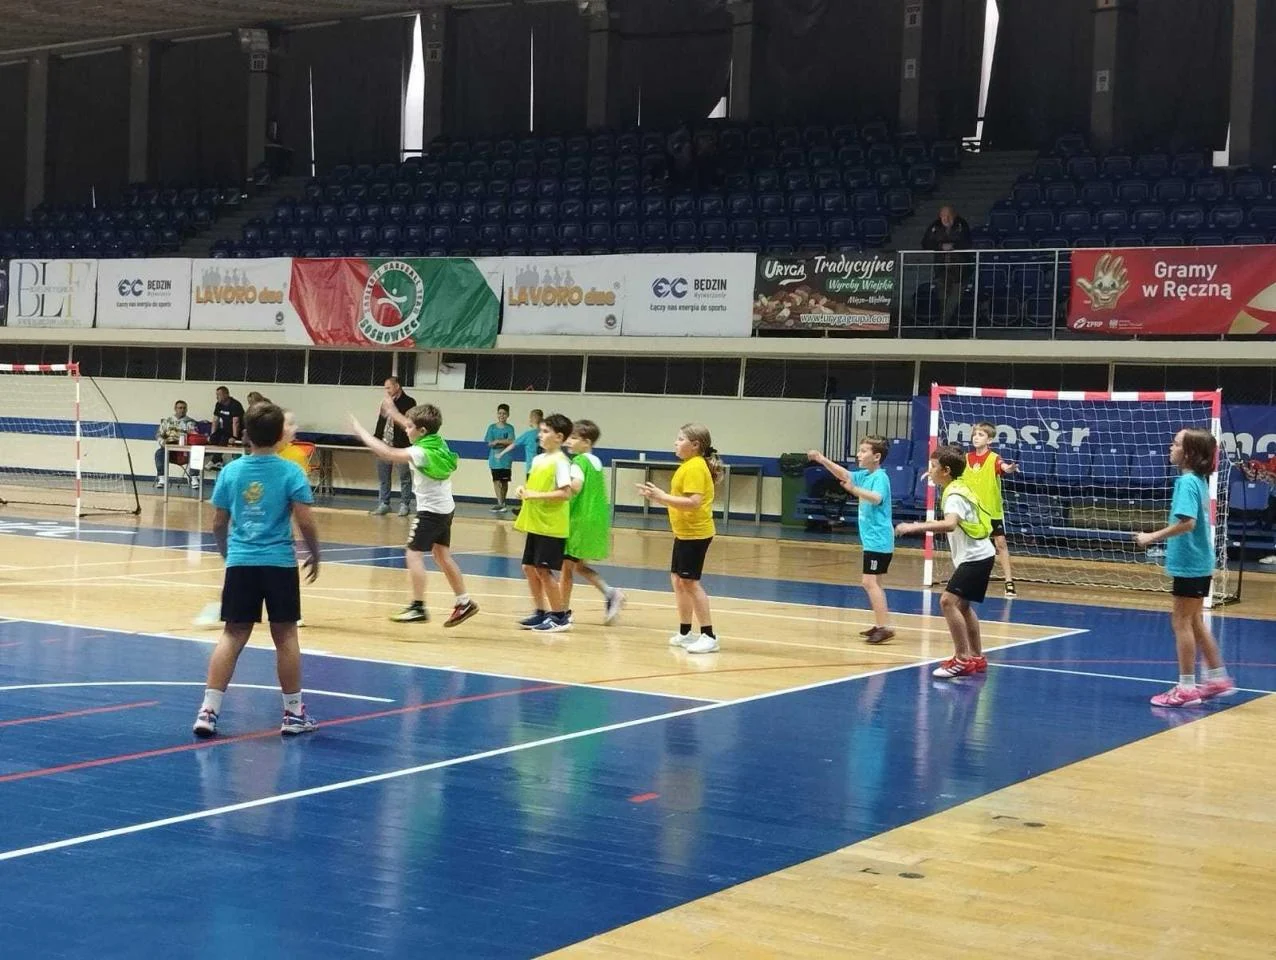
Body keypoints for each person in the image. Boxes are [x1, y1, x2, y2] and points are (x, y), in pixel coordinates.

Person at [192, 402, 321, 738]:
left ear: (245, 434)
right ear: (280, 436)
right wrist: (315, 552)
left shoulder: (231, 472)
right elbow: (305, 520)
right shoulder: (292, 472)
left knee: (232, 634)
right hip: (279, 564)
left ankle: (208, 711)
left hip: (241, 563)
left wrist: (228, 554)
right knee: (286, 636)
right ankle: (293, 714)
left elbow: (218, 523)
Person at [349, 404, 479, 628]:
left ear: (422, 431)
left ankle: (418, 606)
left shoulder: (420, 452)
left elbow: (388, 453)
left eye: (409, 427)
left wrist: (361, 432)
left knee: (413, 555)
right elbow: (414, 426)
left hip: (430, 512)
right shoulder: (437, 442)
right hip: (446, 508)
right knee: (442, 556)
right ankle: (464, 602)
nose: (406, 430)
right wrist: (394, 414)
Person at [1134, 429, 1233, 707]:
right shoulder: (1197, 480)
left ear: (1188, 453)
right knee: (1195, 621)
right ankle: (1217, 678)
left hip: (1190, 563)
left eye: (1176, 444)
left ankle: (1186, 688)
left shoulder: (1187, 482)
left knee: (1181, 622)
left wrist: (1151, 537)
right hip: (1198, 562)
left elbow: (1187, 523)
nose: (1171, 447)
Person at [895, 445, 995, 679]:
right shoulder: (958, 486)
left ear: (946, 470)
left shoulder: (954, 496)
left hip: (975, 558)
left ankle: (962, 659)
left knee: (947, 602)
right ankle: (976, 657)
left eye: (933, 466)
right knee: (963, 607)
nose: (929, 471)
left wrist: (915, 527)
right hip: (980, 555)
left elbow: (950, 524)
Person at [636, 423, 723, 655]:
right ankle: (686, 632)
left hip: (695, 533)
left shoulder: (695, 467)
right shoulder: (689, 465)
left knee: (690, 582)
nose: (675, 443)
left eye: (680, 439)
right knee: (678, 580)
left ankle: (709, 636)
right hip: (684, 532)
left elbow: (694, 502)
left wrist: (663, 496)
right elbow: (679, 500)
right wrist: (659, 497)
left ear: (695, 445)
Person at [808, 436, 895, 643]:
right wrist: (821, 459)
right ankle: (881, 624)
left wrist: (853, 490)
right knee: (875, 583)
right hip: (873, 540)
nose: (858, 454)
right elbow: (844, 474)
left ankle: (884, 627)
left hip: (878, 540)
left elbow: (877, 498)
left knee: (869, 582)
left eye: (864, 451)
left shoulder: (880, 477)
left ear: (876, 456)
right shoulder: (865, 475)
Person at [514, 413, 574, 633]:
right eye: (540, 431)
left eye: (545, 431)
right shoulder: (539, 460)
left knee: (544, 570)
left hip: (551, 525)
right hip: (536, 522)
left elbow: (565, 493)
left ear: (559, 437)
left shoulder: (561, 462)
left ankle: (559, 616)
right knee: (529, 567)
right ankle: (540, 611)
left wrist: (535, 495)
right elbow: (534, 487)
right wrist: (523, 490)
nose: (540, 435)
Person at [562, 419, 625, 625]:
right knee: (579, 566)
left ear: (587, 442)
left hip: (579, 519)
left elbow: (576, 486)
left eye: (573, 438)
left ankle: (562, 612)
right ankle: (610, 592)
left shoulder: (579, 462)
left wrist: (555, 490)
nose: (568, 441)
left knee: (566, 567)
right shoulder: (595, 461)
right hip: (595, 518)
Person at [966, 421, 1019, 596]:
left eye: (981, 435)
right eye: (975, 434)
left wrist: (1009, 468)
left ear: (989, 440)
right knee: (971, 546)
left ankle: (1009, 581)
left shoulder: (994, 458)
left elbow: (1004, 467)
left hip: (992, 511)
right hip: (973, 511)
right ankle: (968, 579)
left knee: (1000, 544)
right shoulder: (966, 458)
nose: (976, 437)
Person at [371, 377, 416, 516]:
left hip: (401, 445)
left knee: (404, 476)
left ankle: (405, 504)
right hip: (384, 444)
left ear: (397, 386)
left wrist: (393, 407)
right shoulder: (385, 402)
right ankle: (384, 503)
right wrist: (376, 441)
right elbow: (380, 422)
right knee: (384, 477)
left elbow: (407, 423)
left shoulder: (409, 402)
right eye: (385, 388)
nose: (387, 391)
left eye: (389, 387)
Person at [921, 205, 973, 326]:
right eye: (943, 216)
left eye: (949, 216)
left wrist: (953, 246)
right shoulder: (935, 226)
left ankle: (944, 325)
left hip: (960, 270)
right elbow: (925, 243)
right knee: (942, 298)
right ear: (940, 216)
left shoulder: (962, 225)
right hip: (942, 270)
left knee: (955, 299)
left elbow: (967, 243)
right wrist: (941, 247)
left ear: (954, 215)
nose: (946, 218)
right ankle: (944, 326)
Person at [154, 399, 198, 489]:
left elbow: (195, 436)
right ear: (175, 409)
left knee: (197, 453)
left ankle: (194, 478)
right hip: (170, 450)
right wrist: (162, 442)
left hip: (185, 450)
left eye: (184, 408)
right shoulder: (167, 421)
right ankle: (162, 478)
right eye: (180, 408)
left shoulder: (191, 422)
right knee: (159, 453)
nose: (182, 410)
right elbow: (158, 434)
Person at [484, 403, 516, 513]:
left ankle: (503, 501)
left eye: (504, 413)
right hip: (494, 459)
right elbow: (489, 443)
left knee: (504, 482)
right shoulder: (492, 428)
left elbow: (511, 441)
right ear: (497, 414)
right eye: (500, 413)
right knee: (496, 480)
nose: (502, 415)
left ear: (508, 415)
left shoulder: (510, 428)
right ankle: (499, 503)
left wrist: (498, 441)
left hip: (506, 459)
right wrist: (501, 443)